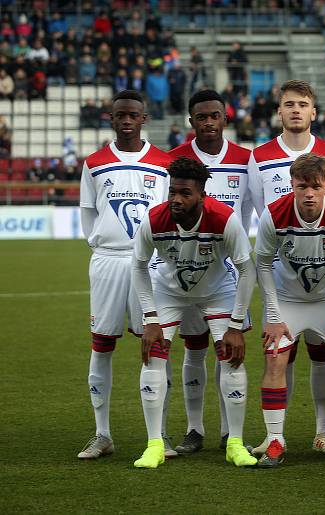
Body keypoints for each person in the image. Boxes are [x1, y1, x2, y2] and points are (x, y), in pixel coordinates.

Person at [130, 157, 257, 469]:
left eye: (185, 193)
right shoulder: (155, 219)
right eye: (172, 192)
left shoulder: (224, 219)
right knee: (154, 355)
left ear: (202, 195)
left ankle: (236, 443)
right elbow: (138, 266)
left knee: (231, 356)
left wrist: (236, 325)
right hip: (169, 291)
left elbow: (247, 270)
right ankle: (154, 444)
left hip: (217, 291)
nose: (176, 199)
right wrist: (150, 318)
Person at [254, 153, 325, 467]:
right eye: (302, 185)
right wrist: (274, 317)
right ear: (291, 184)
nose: (308, 193)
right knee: (275, 360)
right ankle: (276, 441)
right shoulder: (273, 214)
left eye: (315, 186)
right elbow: (263, 263)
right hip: (287, 300)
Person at [248, 80, 325, 456]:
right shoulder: (261, 156)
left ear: (314, 112)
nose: (296, 110)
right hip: (282, 274)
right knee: (279, 352)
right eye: (289, 104)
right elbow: (260, 209)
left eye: (303, 104)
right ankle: (275, 435)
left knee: (324, 354)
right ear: (279, 111)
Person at [77, 90, 172, 459]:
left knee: (155, 346)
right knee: (102, 345)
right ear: (111, 118)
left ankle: (158, 435)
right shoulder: (95, 162)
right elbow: (88, 213)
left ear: (144, 118)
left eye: (134, 114)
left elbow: (168, 212)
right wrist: (102, 244)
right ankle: (102, 434)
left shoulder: (163, 162)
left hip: (152, 264)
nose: (127, 120)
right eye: (120, 115)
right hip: (108, 262)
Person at [168, 89, 257, 455]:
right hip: (185, 269)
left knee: (227, 349)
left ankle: (227, 432)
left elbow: (250, 209)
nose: (208, 123)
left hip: (226, 271)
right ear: (192, 121)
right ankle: (194, 429)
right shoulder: (173, 160)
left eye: (214, 116)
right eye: (201, 117)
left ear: (225, 118)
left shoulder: (244, 158)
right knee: (193, 348)